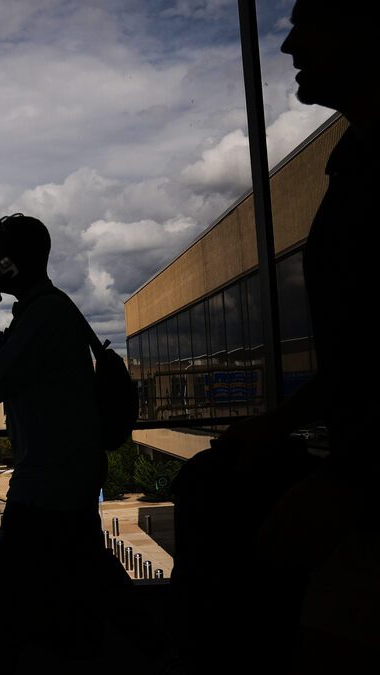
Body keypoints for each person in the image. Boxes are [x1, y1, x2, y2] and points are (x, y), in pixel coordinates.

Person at [218, 0, 378, 665]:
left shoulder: (367, 169)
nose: (286, 45)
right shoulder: (355, 160)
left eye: (306, 19)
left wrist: (353, 483)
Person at [0, 213, 115, 662]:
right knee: (82, 592)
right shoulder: (51, 310)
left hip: (47, 487)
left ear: (12, 264)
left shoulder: (42, 317)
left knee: (5, 608)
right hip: (69, 478)